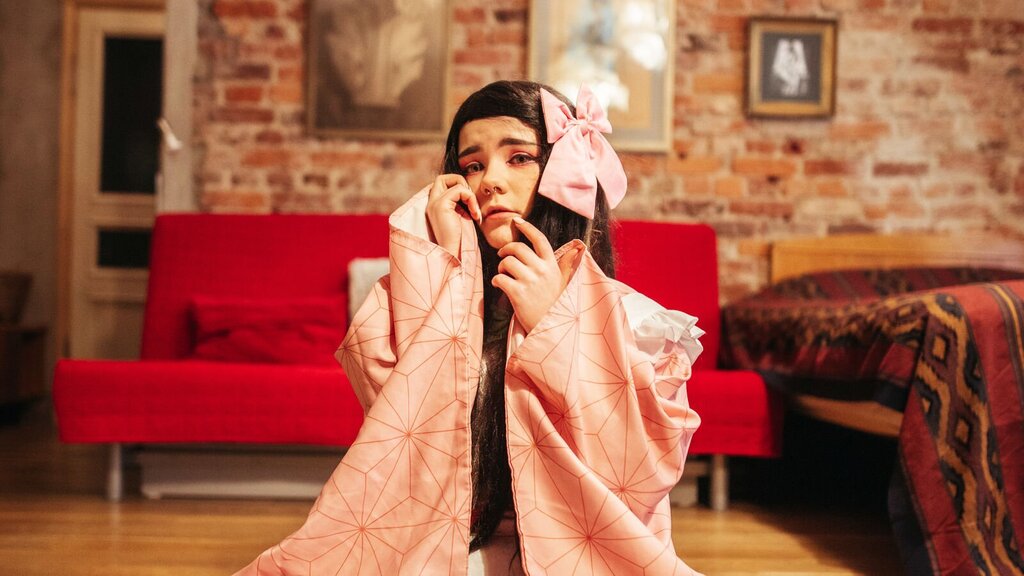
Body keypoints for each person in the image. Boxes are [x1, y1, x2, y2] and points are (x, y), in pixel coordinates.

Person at [234, 80, 704, 576]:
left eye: (518, 158)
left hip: (579, 556)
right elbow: (396, 427)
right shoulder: (443, 299)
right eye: (472, 165)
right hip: (452, 544)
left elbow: (642, 472)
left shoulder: (638, 324)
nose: (489, 181)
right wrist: (438, 266)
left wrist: (556, 328)